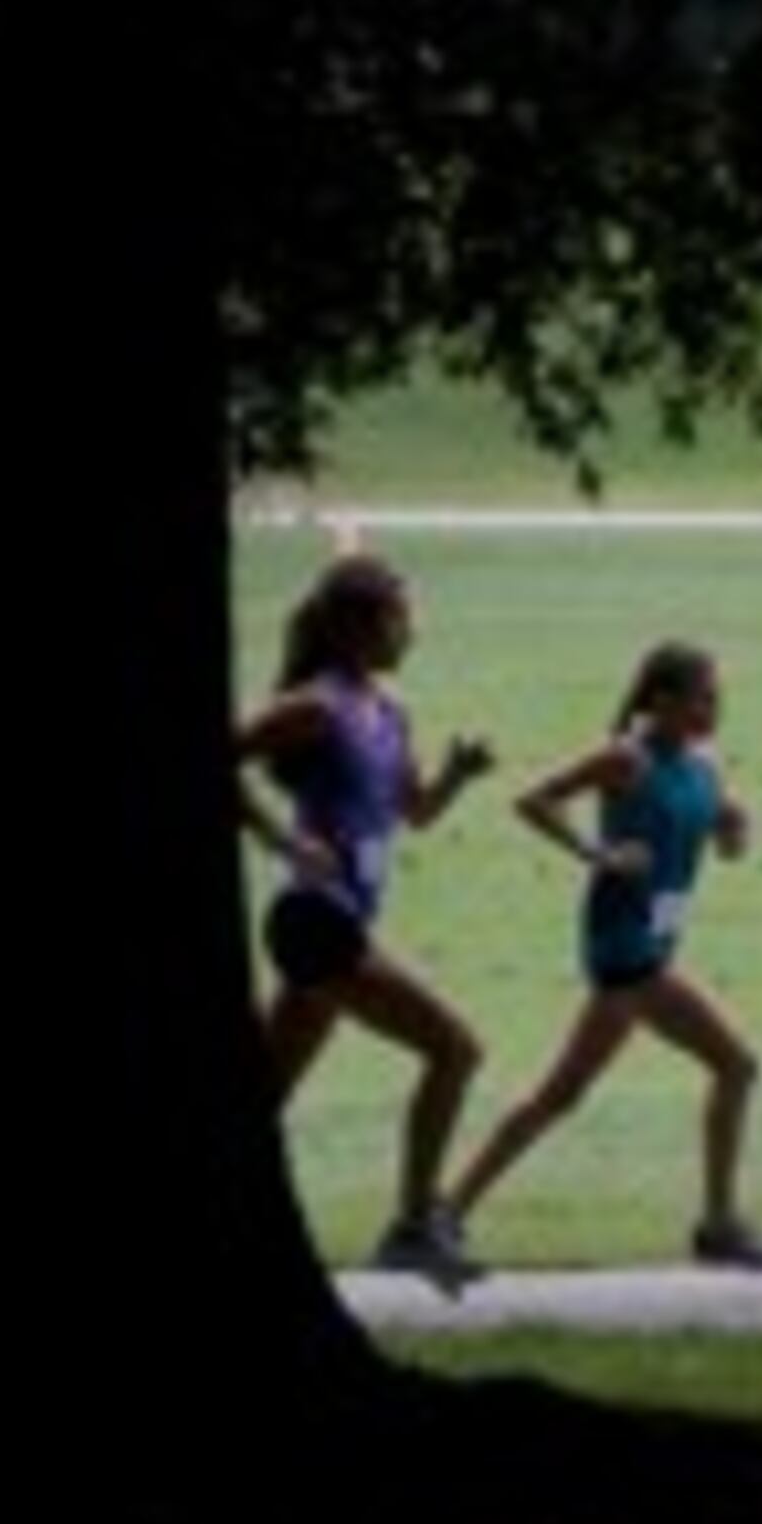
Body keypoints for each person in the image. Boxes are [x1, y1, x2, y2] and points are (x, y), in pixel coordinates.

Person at [441, 641, 762, 1270]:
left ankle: (448, 1212)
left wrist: (734, 827)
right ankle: (718, 1226)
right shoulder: (625, 758)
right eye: (702, 697)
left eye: (717, 697)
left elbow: (721, 832)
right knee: (732, 1065)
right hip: (623, 946)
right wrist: (596, 853)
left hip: (655, 944)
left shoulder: (703, 763)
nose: (714, 709)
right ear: (661, 699)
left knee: (564, 1094)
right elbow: (534, 799)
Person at [234, 552, 496, 1293]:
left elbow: (416, 811)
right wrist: (279, 839)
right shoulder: (314, 707)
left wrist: (458, 775)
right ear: (357, 627)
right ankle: (413, 1228)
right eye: (400, 619)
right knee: (456, 1049)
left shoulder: (390, 711)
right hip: (314, 920)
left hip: (343, 918)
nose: (412, 633)